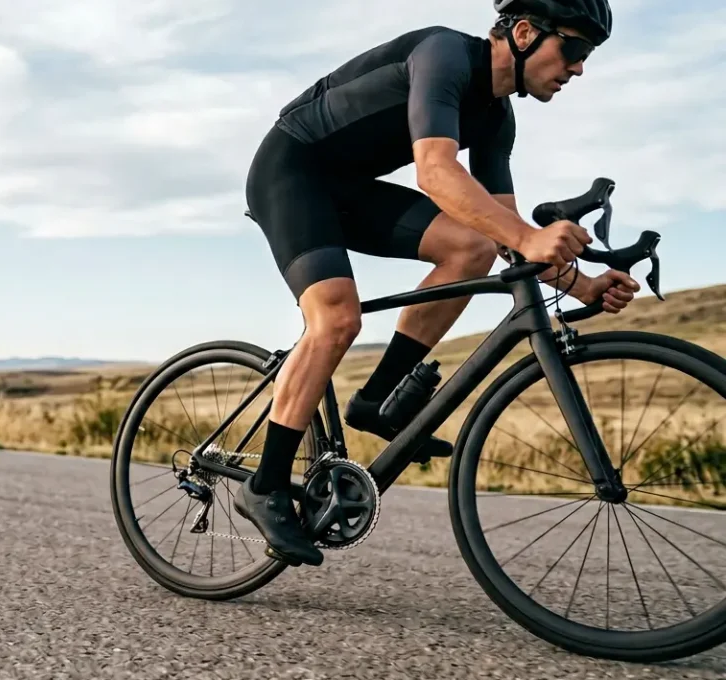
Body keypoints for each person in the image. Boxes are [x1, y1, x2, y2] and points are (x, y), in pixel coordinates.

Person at [235, 0, 640, 567]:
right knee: (337, 318)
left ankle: (376, 400)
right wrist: (529, 238)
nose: (578, 68)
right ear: (524, 32)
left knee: (472, 246)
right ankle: (265, 484)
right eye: (573, 49)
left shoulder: (497, 119)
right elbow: (435, 170)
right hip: (291, 172)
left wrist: (584, 285)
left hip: (350, 190)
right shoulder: (444, 54)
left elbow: (504, 232)